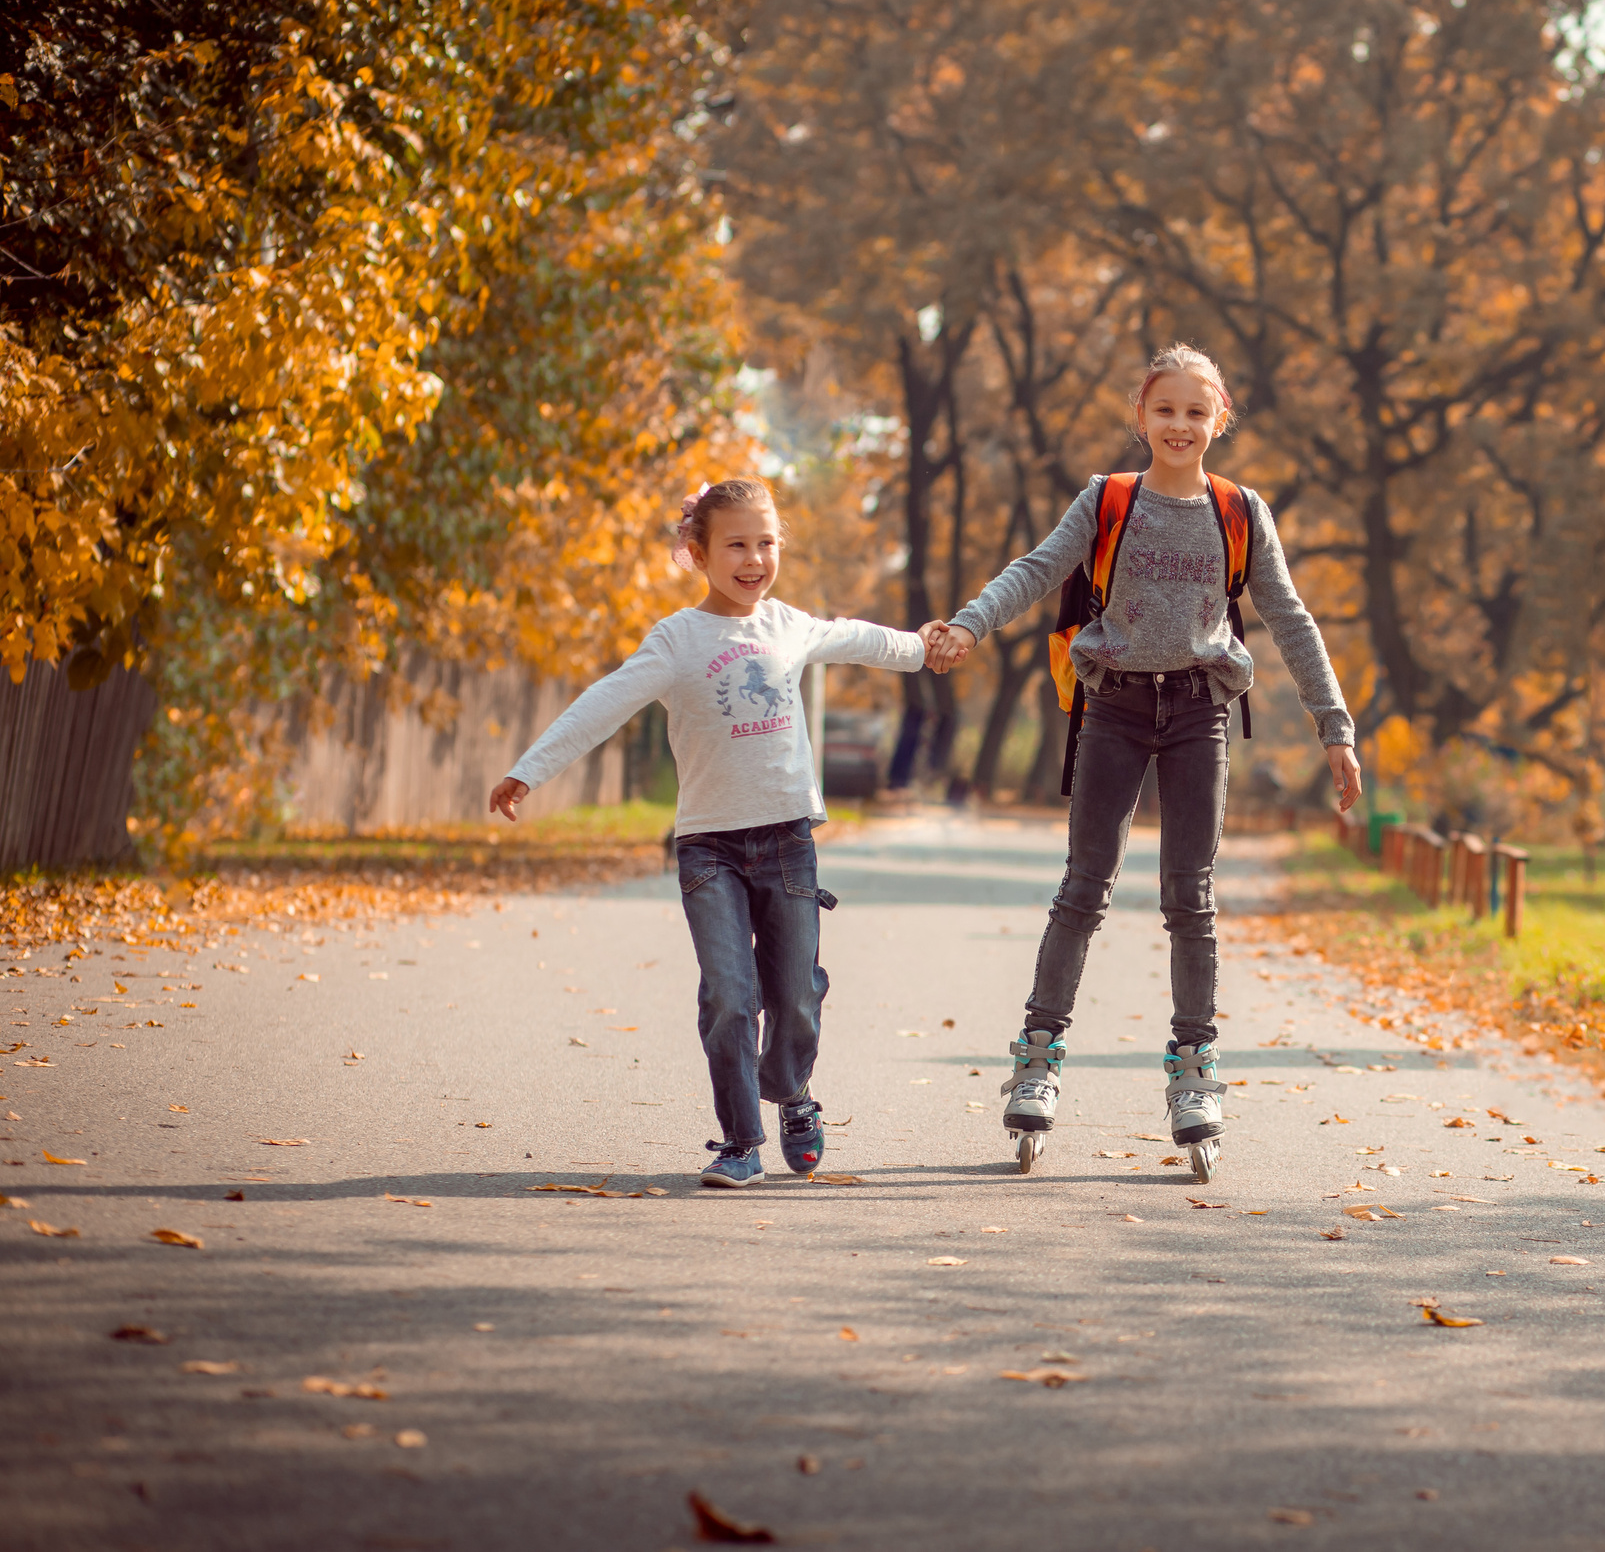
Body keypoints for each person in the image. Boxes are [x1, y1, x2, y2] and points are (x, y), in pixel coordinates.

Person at [925, 344, 1361, 1177]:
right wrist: (971, 622)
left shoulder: (1241, 511)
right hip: (1115, 708)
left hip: (1200, 710)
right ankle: (1039, 1058)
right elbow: (1037, 569)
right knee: (1083, 886)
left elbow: (1291, 618)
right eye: (1165, 409)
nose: (1180, 425)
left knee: (1190, 897)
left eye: (1197, 411)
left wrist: (1333, 726)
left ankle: (1194, 1073)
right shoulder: (1107, 499)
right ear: (1141, 416)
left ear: (1220, 419)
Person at [488, 478, 936, 1188]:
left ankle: (792, 1091)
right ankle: (740, 1140)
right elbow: (604, 701)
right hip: (710, 849)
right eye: (736, 545)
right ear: (697, 554)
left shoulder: (787, 625)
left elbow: (856, 636)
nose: (754, 558)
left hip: (787, 840)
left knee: (796, 994)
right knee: (729, 996)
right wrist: (529, 769)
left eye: (766, 543)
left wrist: (923, 647)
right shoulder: (677, 639)